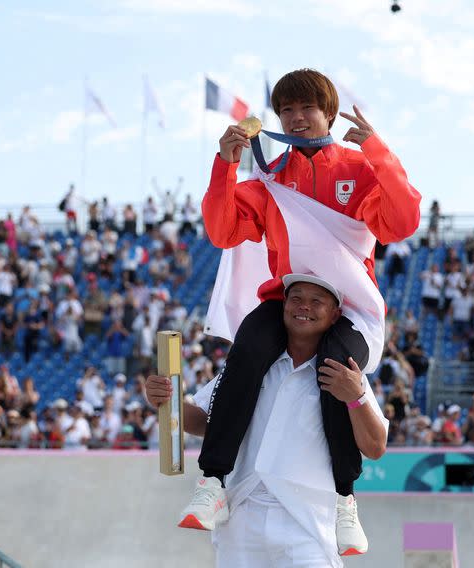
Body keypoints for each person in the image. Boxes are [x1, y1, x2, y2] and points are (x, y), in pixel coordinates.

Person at [195, 68, 420, 556]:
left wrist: (379, 153)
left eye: (306, 109)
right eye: (287, 110)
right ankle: (213, 482)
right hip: (287, 302)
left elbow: (401, 223)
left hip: (347, 308)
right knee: (246, 354)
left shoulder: (360, 171)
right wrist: (224, 165)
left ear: (329, 114)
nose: (296, 118)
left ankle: (344, 498)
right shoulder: (272, 178)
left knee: (335, 371)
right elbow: (223, 231)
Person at [146, 274, 388, 567]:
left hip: (307, 525)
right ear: (283, 304)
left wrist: (356, 397)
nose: (304, 307)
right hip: (241, 518)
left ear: (335, 314)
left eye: (316, 301)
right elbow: (207, 422)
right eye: (296, 298)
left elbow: (375, 447)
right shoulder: (251, 365)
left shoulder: (348, 376)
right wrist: (166, 403)